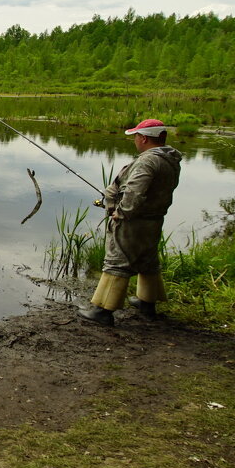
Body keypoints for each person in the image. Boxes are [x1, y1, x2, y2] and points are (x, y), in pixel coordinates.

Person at [77, 119, 182, 327]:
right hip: (153, 219)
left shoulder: (147, 161)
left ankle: (103, 311)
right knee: (148, 260)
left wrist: (121, 212)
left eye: (136, 137)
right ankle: (147, 304)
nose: (135, 140)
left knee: (117, 261)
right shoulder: (171, 159)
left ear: (143, 138)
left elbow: (135, 191)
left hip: (133, 221)